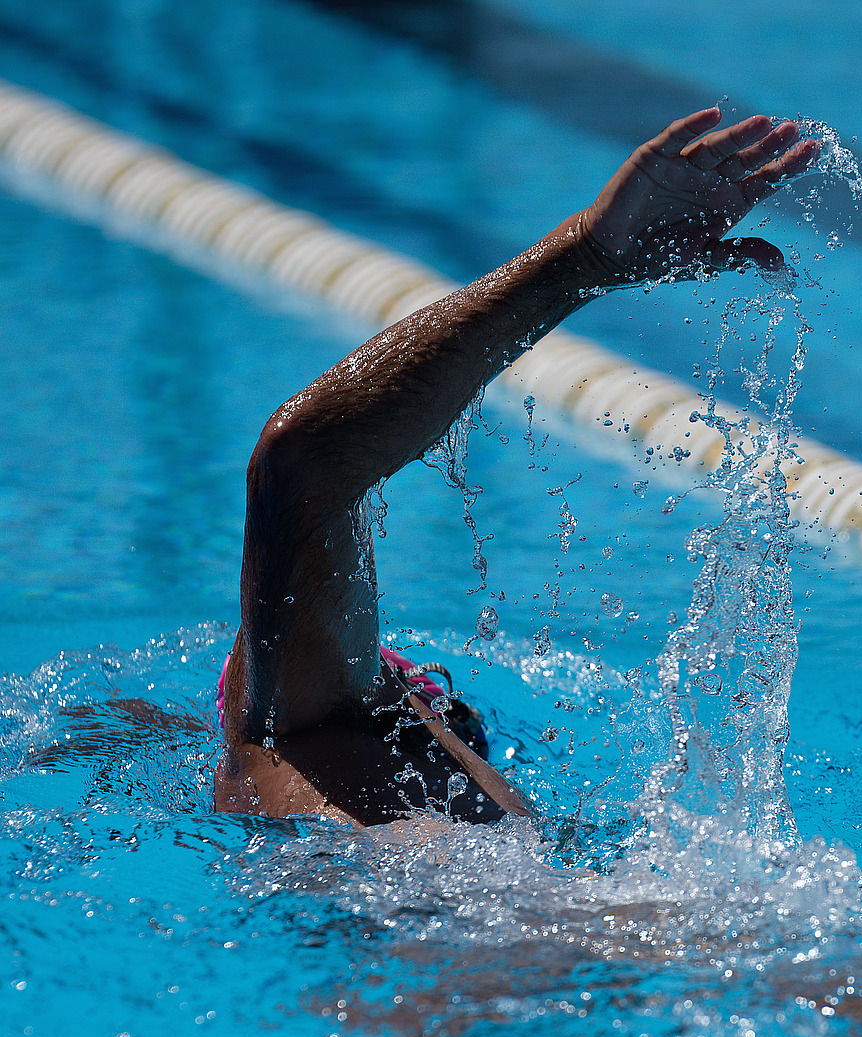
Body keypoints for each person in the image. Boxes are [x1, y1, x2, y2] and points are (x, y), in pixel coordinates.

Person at [212, 109, 818, 829]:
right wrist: (584, 256)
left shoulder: (327, 773)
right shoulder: (294, 727)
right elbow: (300, 458)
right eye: (409, 682)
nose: (444, 707)